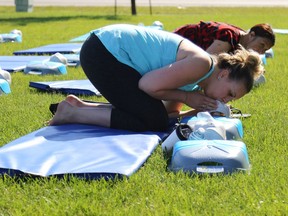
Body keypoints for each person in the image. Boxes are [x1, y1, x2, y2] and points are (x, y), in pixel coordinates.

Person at [49, 24, 263, 132]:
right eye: (230, 94)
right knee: (152, 120)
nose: (226, 100)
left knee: (153, 116)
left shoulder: (199, 78)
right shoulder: (202, 64)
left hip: (108, 51)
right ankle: (71, 114)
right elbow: (147, 85)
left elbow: (169, 113)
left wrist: (197, 110)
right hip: (104, 52)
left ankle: (78, 106)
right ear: (224, 74)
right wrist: (189, 98)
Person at [173, 21, 275, 55]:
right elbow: (207, 63)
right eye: (262, 45)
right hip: (175, 44)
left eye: (265, 50)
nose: (261, 52)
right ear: (251, 35)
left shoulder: (241, 39)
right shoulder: (228, 38)